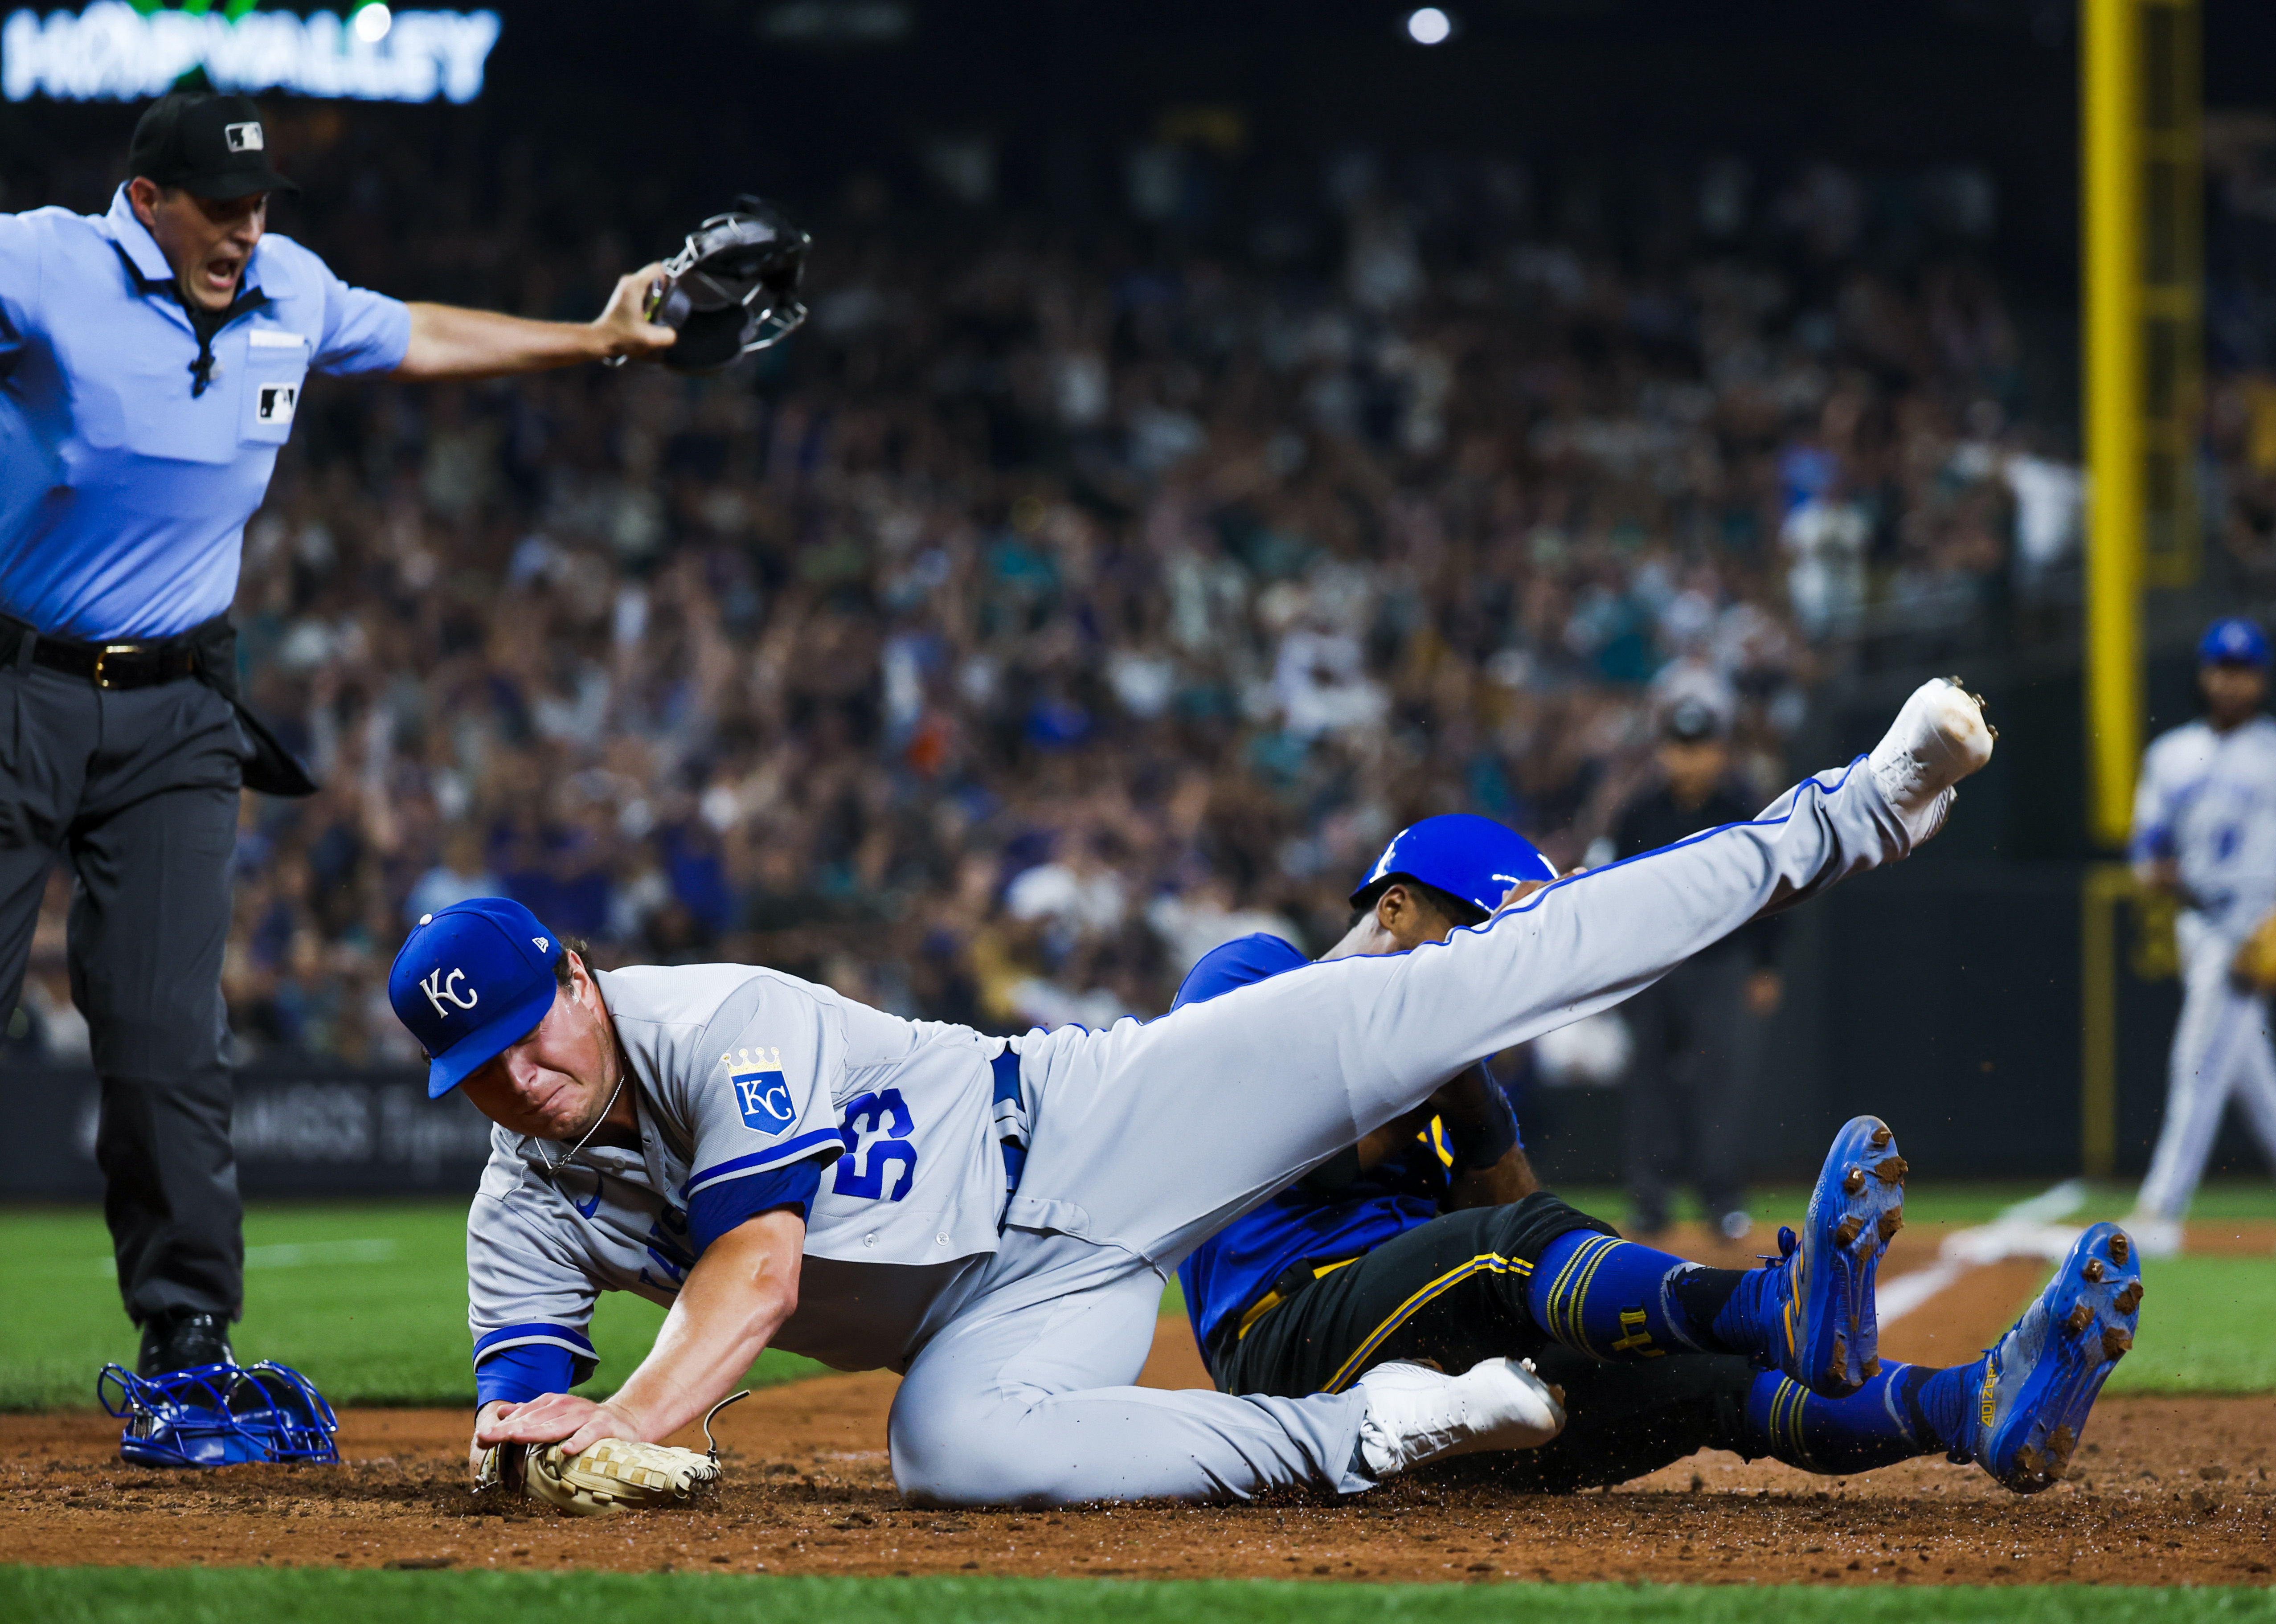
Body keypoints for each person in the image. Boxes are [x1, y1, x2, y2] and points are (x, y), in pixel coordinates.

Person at [397, 679, 1994, 1506]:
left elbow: (759, 1272)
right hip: (999, 1316)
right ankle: (1373, 1427)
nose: (527, 1082)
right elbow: (523, 1387)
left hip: (1095, 1118)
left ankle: (1847, 815)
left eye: (539, 1031)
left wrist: (624, 1418)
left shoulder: (716, 1017)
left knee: (1460, 982)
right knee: (950, 1460)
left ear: (584, 977)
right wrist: (530, 1438)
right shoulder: (518, 1201)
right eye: (485, 1075)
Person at [0, 91, 676, 1377]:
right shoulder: (41, 264)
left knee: (167, 1027)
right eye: (220, 203)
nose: (246, 227)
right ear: (148, 200)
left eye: (259, 204)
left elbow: (413, 333)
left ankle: (188, 1327)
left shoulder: (287, 291)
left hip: (180, 707)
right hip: (14, 683)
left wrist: (595, 339)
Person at [1170, 816, 2144, 1497]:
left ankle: (1970, 1407)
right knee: (1501, 1247)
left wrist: (1471, 1093)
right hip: (1285, 1349)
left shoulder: (1455, 1070)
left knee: (1710, 1381)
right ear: (1393, 908)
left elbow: (1519, 1234)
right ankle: (1772, 1307)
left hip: (1437, 1408)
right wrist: (1453, 1063)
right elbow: (1331, 1150)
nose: (1494, 975)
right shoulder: (1252, 971)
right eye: (1477, 935)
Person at [2124, 618, 2276, 1259]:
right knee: (2253, 1078)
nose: (2230, 680)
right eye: (2220, 668)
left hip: (2252, 925)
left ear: (2260, 678)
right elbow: (2146, 839)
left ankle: (2160, 1210)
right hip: (2194, 919)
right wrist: (2152, 866)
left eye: (2242, 669)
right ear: (2204, 674)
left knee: (2195, 1066)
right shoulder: (2169, 753)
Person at [1605, 695, 1783, 1238]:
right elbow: (1615, 894)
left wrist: (1765, 965)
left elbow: (1770, 890)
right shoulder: (1638, 813)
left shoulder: (1739, 810)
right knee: (1651, 1086)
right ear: (1662, 753)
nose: (1688, 759)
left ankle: (1723, 1199)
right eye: (1678, 747)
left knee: (1720, 1084)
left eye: (1698, 747)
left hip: (1720, 963)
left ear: (1718, 752)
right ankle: (1650, 1201)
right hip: (1654, 967)